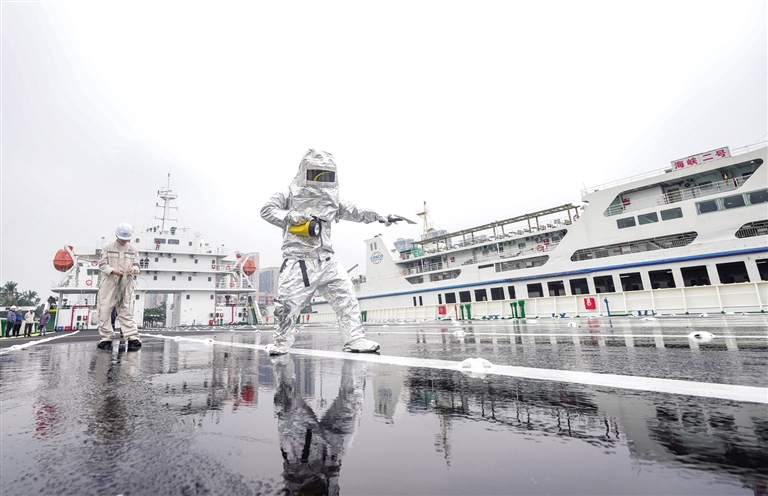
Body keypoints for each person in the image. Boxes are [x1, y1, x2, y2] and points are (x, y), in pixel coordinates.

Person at [260, 149, 400, 355]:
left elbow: (354, 210)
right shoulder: (288, 193)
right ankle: (281, 344)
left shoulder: (330, 199)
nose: (320, 179)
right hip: (299, 262)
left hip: (327, 260)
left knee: (347, 299)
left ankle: (355, 340)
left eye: (325, 175)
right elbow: (267, 210)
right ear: (304, 172)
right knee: (287, 306)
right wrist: (291, 216)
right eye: (316, 173)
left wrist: (382, 215)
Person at [97, 223, 142, 351]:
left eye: (126, 238)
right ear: (117, 235)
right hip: (109, 283)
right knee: (105, 309)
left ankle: (132, 336)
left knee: (126, 309)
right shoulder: (107, 248)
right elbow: (102, 265)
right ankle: (106, 337)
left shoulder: (133, 250)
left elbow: (137, 265)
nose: (124, 240)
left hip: (126, 283)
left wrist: (133, 269)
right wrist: (113, 271)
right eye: (122, 238)